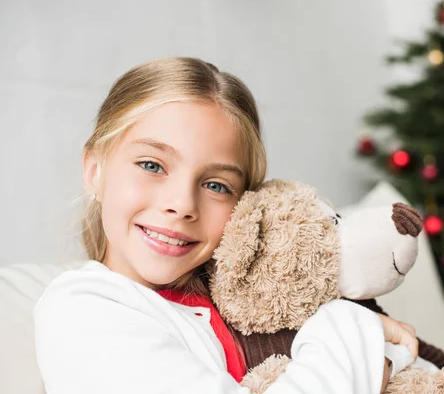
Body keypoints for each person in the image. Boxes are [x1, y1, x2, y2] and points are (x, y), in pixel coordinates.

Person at [34, 57, 418, 394]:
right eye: (152, 165)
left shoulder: (245, 306)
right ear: (94, 171)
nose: (183, 205)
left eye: (216, 185)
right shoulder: (82, 309)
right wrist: (352, 332)